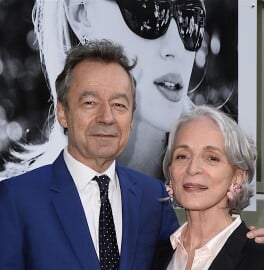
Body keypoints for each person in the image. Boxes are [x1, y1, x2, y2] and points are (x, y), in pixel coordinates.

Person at [0, 40, 264, 270]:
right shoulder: (16, 199)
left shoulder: (151, 197)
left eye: (119, 105)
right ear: (63, 111)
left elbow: (189, 262)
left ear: (131, 118)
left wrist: (248, 251)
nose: (106, 117)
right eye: (90, 103)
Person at [0, 0, 208, 179]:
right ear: (81, 15)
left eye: (189, 18)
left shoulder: (230, 199)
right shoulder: (14, 209)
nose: (175, 47)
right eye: (147, 10)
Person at [140, 105, 264, 270]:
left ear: (237, 177)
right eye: (182, 156)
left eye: (211, 158)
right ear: (170, 172)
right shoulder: (156, 256)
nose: (193, 168)